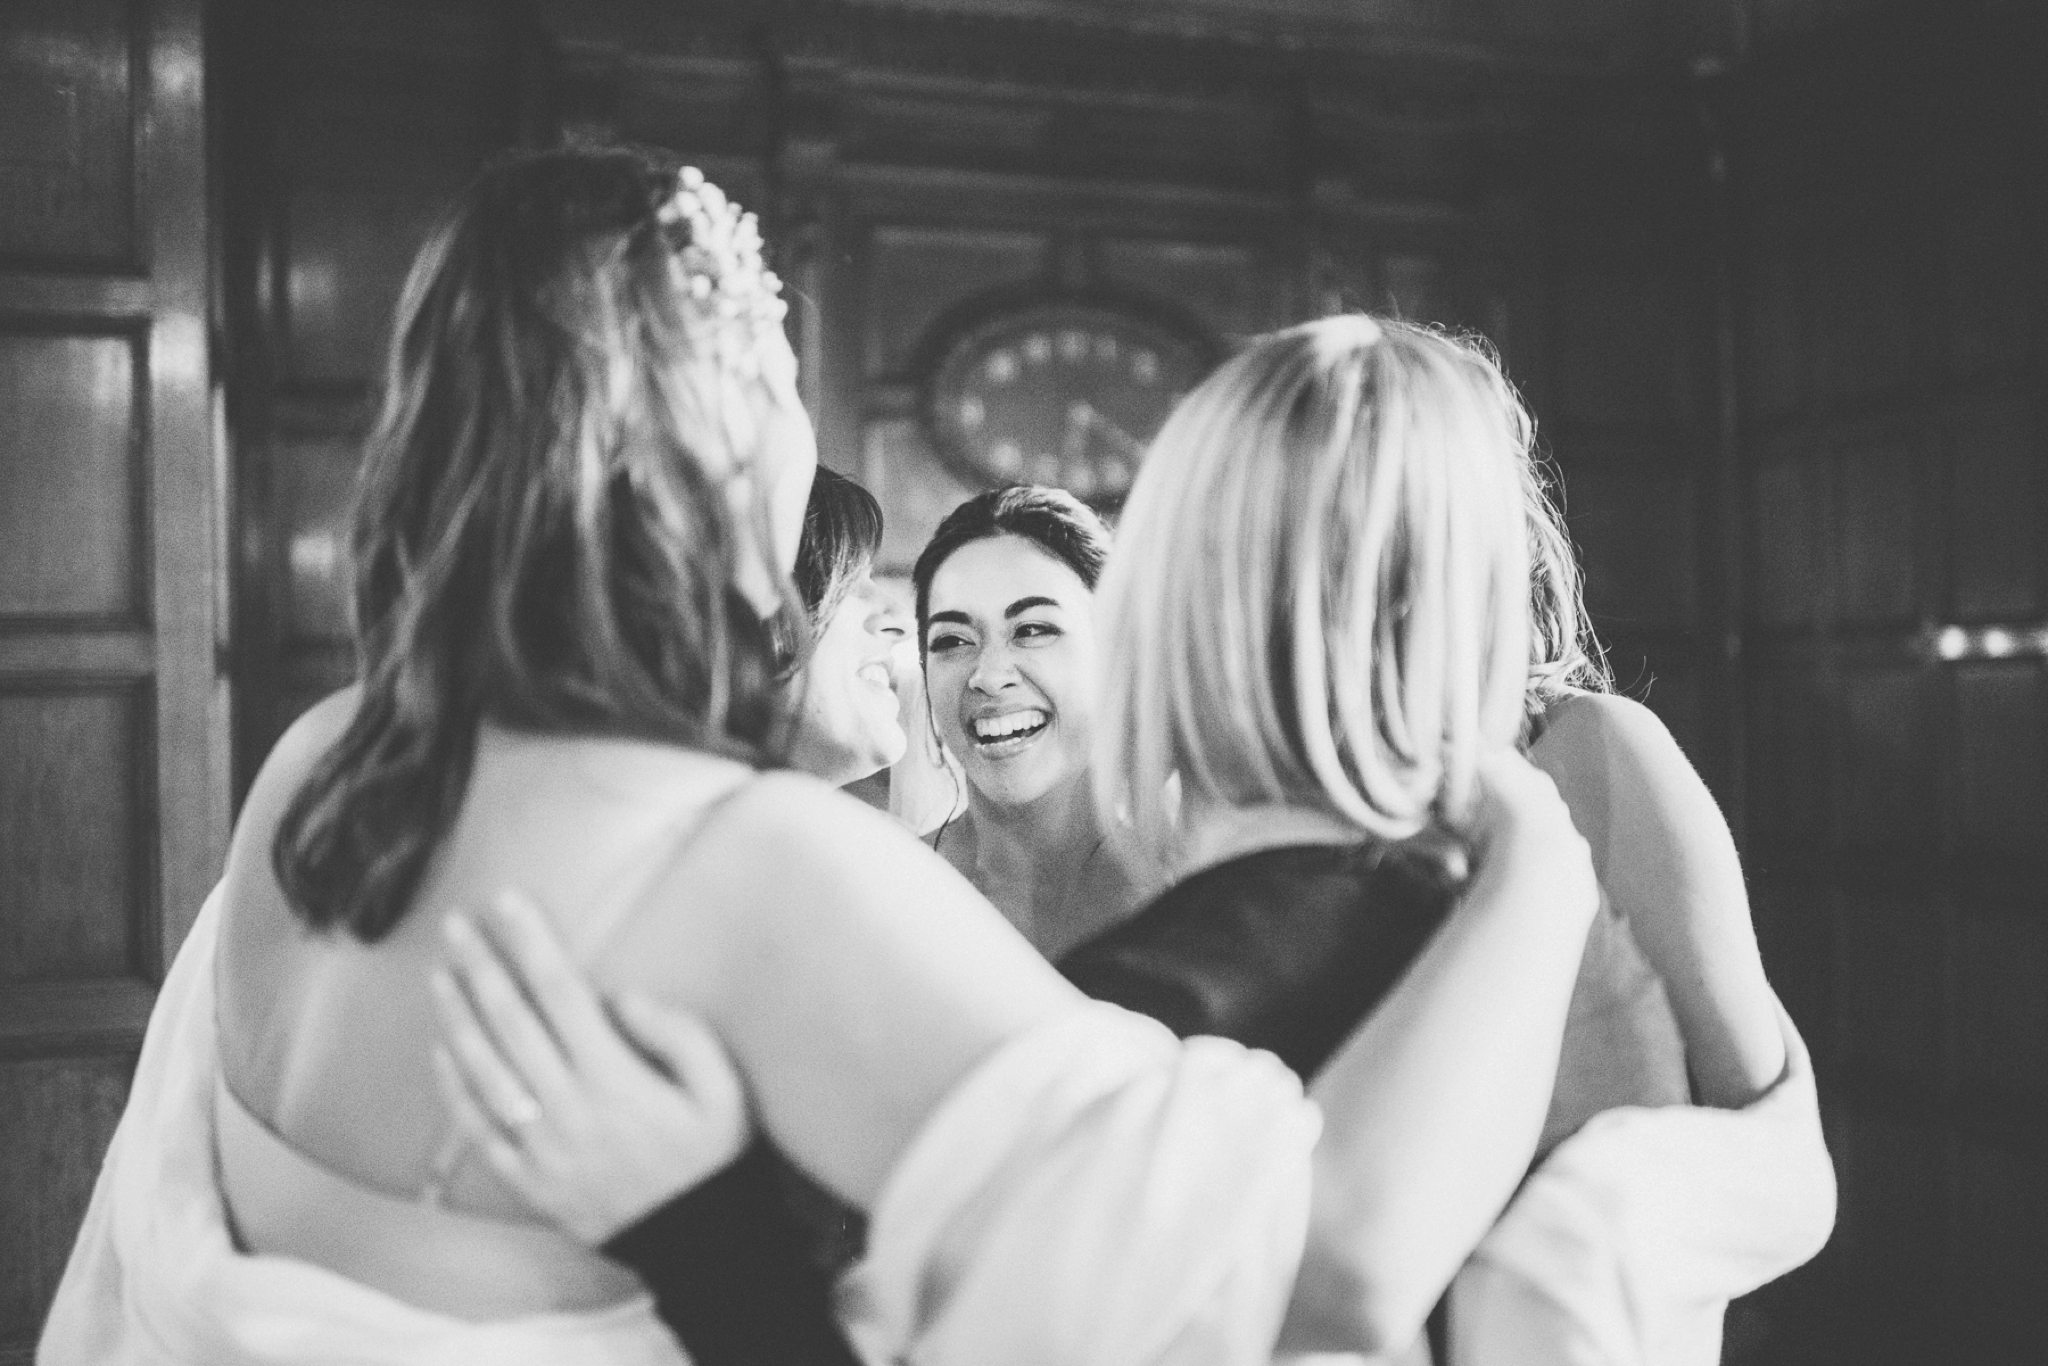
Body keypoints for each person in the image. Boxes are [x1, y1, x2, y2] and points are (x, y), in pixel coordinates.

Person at [38, 151, 1600, 1366]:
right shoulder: (745, 868)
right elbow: (1313, 1259)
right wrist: (1534, 856)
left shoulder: (317, 776)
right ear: (724, 427)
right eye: (784, 367)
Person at [434, 315, 1833, 1364]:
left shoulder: (1540, 788)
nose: (987, 673)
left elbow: (1770, 1142)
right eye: (946, 637)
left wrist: (1616, 1222)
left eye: (1041, 623)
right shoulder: (1236, 920)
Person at [910, 486, 1144, 956]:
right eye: (953, 641)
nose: (990, 677)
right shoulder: (886, 889)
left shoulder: (1187, 896)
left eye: (1032, 630)